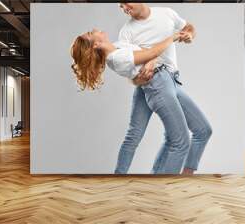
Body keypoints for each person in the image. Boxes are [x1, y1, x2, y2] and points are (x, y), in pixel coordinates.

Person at [71, 28, 196, 174]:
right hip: (156, 83)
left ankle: (125, 176)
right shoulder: (116, 57)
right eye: (91, 33)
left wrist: (151, 59)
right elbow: (151, 53)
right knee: (179, 141)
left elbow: (149, 52)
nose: (96, 30)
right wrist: (173, 37)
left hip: (148, 84)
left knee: (134, 135)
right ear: (95, 45)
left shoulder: (119, 46)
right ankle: (165, 185)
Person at [114, 3, 212, 174]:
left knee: (202, 130)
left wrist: (189, 33)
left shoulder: (166, 13)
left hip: (172, 79)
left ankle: (183, 175)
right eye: (120, 5)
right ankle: (154, 185)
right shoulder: (126, 32)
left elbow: (188, 26)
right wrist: (139, 79)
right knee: (173, 140)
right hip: (154, 83)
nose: (123, 8)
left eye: (125, 3)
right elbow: (128, 70)